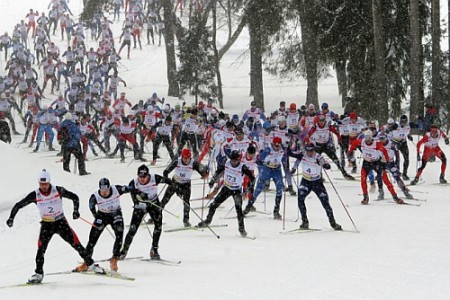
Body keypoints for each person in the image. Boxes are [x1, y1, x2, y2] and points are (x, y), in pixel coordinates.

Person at [5, 170, 105, 284]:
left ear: (49, 182)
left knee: (76, 244)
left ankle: (91, 265)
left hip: (60, 222)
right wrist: (11, 218)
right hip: (46, 225)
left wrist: (75, 211)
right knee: (41, 250)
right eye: (41, 184)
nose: (43, 187)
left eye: (46, 184)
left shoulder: (58, 190)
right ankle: (38, 273)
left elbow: (74, 197)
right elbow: (19, 205)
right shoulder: (35, 194)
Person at [119, 164, 172, 260]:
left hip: (154, 204)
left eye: (145, 177)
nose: (142, 179)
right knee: (132, 229)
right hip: (141, 206)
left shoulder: (155, 178)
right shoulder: (133, 183)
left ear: (148, 175)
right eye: (140, 177)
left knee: (158, 226)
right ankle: (123, 251)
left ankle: (154, 250)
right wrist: (139, 200)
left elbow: (169, 182)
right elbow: (134, 200)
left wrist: (173, 183)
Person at [198, 150, 255, 237]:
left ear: (239, 160)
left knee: (239, 211)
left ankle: (242, 230)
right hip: (226, 188)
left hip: (237, 191)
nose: (234, 162)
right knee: (213, 205)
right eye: (232, 160)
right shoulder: (227, 163)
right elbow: (219, 171)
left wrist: (249, 188)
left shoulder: (242, 167)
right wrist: (213, 180)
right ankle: (208, 220)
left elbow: (252, 178)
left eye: (235, 160)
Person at [288, 143, 342, 230]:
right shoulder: (303, 154)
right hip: (305, 181)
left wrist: (322, 164)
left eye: (311, 151)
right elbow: (291, 153)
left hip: (317, 182)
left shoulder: (318, 157)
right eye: (308, 151)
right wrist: (287, 148)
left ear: (314, 150)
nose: (309, 153)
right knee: (300, 198)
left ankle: (333, 223)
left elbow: (328, 166)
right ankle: (305, 221)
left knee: (325, 203)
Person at [84, 178, 133, 272]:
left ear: (109, 188)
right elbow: (91, 205)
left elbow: (129, 188)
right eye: (102, 190)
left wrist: (138, 193)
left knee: (119, 233)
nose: (104, 192)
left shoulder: (116, 189)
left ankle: (114, 259)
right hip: (102, 215)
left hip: (116, 213)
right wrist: (95, 215)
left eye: (106, 190)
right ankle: (86, 262)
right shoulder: (95, 196)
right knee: (92, 239)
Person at [161, 148, 208, 227]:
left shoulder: (193, 163)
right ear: (182, 156)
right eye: (184, 158)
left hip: (186, 184)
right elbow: (165, 171)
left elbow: (203, 173)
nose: (186, 160)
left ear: (190, 157)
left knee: (186, 203)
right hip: (175, 182)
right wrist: (167, 179)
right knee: (165, 200)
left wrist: (205, 174)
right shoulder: (177, 161)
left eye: (187, 158)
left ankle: (186, 221)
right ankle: (154, 217)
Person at [244, 136, 285, 219]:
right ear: (272, 144)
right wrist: (260, 162)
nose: (277, 147)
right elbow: (259, 158)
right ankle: (248, 207)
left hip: (277, 169)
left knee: (280, 189)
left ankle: (276, 211)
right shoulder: (268, 150)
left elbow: (287, 153)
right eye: (276, 145)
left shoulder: (283, 148)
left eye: (279, 145)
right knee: (258, 189)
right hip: (267, 169)